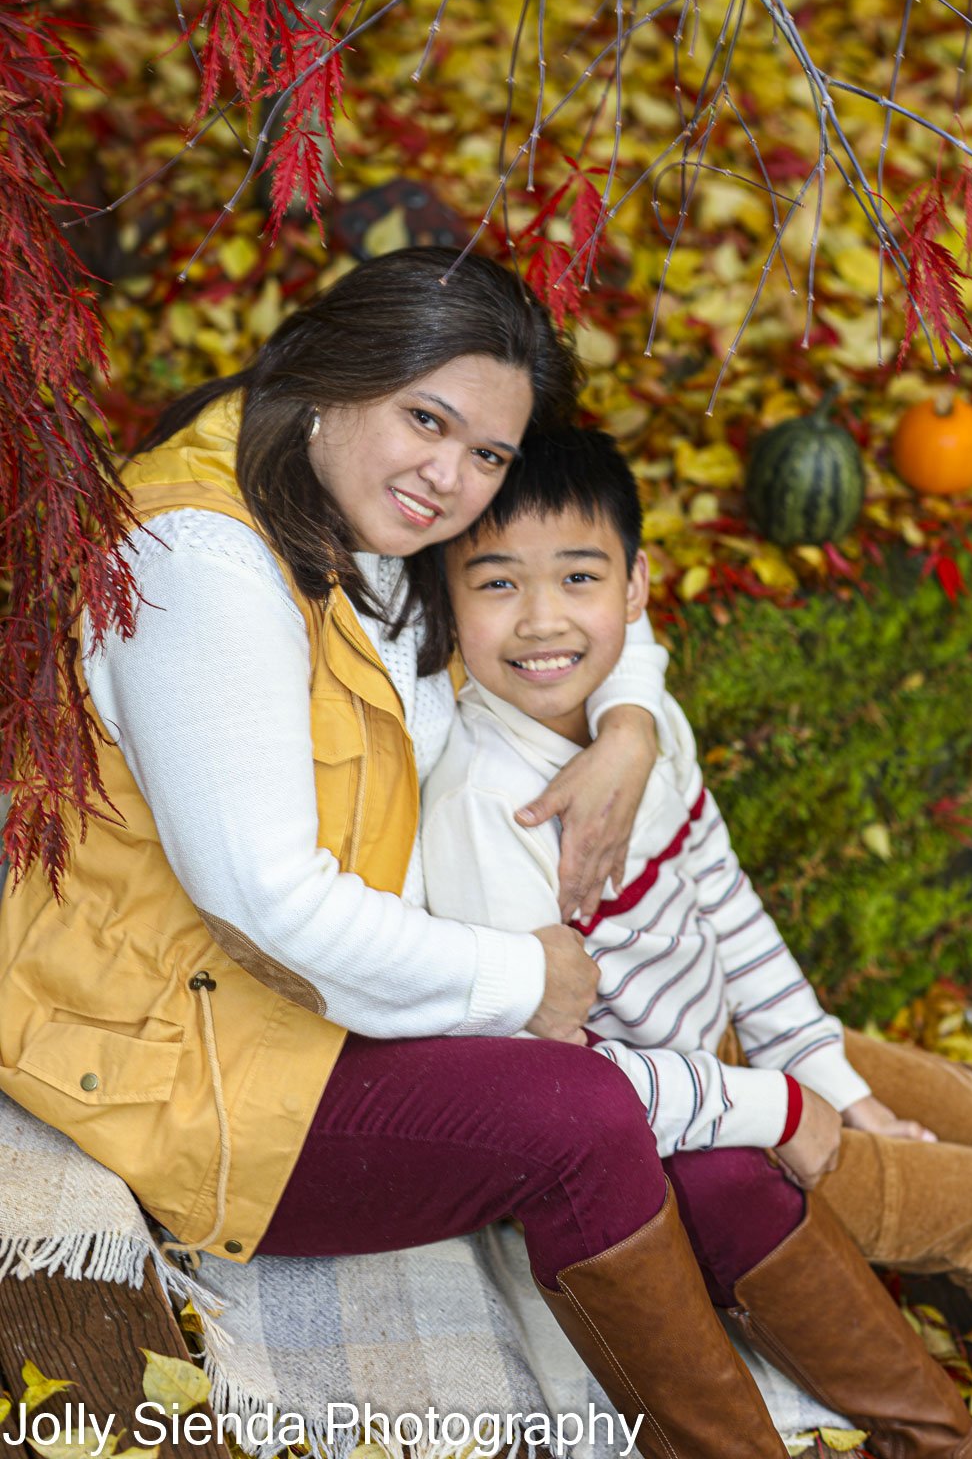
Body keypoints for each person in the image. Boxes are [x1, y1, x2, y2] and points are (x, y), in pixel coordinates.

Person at [1, 247, 813, 1459]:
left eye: (486, 451)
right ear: (335, 376)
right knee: (582, 1113)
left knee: (708, 1132)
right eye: (425, 421)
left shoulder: (363, 497)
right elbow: (264, 899)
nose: (452, 478)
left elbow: (564, 564)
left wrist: (631, 717)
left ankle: (900, 1355)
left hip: (351, 990)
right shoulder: (202, 563)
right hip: (195, 1049)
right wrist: (523, 977)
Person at [421, 425, 972, 1448]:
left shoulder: (642, 727)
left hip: (732, 1052)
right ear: (444, 604)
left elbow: (728, 908)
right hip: (681, 1132)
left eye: (576, 576)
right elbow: (559, 1096)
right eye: (495, 584)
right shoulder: (480, 814)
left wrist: (837, 1083)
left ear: (634, 586)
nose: (540, 619)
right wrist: (787, 1108)